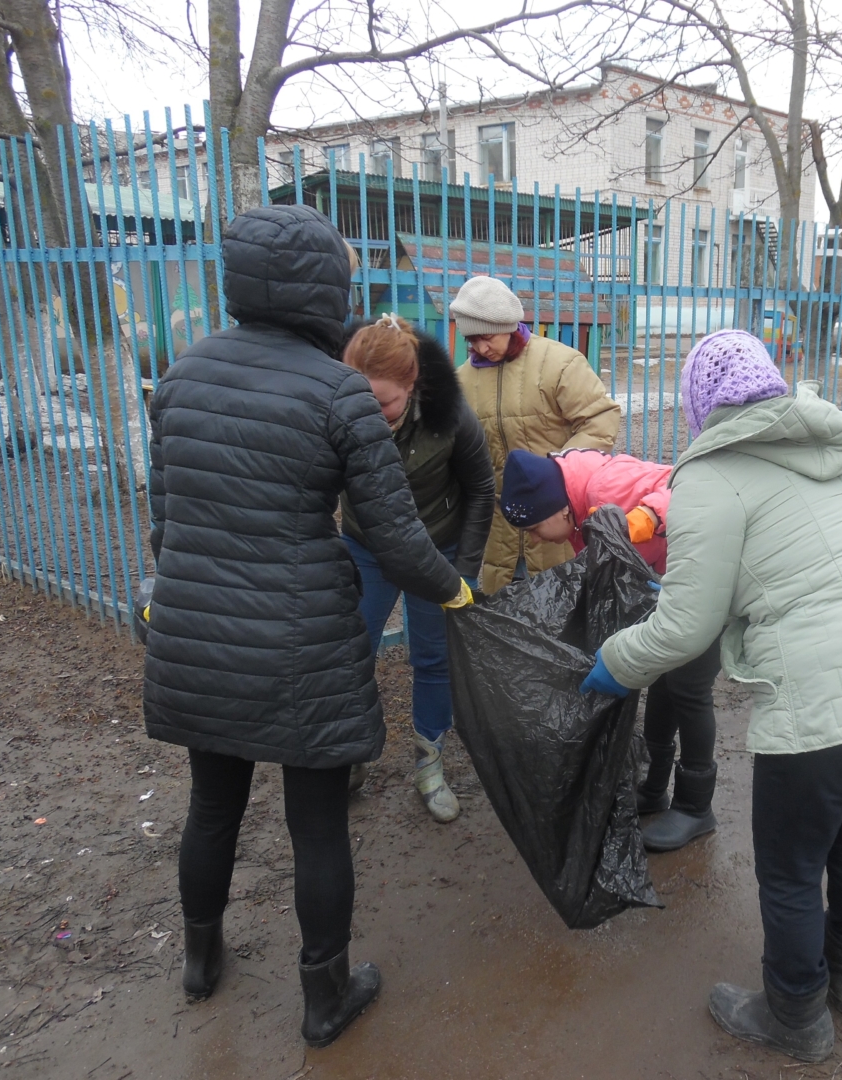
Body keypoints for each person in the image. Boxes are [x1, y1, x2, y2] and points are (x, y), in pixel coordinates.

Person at [580, 329, 842, 1063]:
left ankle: (794, 1015)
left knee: (789, 870)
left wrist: (612, 662)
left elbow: (683, 632)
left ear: (700, 403)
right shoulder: (835, 453)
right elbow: (794, 568)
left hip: (829, 715)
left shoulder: (710, 475)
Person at [142, 205, 473, 1049]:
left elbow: (164, 519)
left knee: (212, 806)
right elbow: (396, 534)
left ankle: (199, 960)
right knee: (315, 823)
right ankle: (325, 998)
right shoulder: (336, 391)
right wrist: (455, 593)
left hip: (196, 629)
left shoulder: (180, 377)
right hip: (300, 645)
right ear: (327, 288)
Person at [498, 446, 721, 851]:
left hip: (705, 577)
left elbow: (691, 487)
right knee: (664, 683)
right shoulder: (578, 509)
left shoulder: (604, 487)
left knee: (689, 688)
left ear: (558, 509)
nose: (532, 538)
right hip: (666, 585)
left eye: (532, 527)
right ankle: (654, 788)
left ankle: (696, 806)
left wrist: (649, 514)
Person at [337, 313, 494, 822]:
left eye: (383, 403)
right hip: (368, 548)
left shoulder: (451, 418)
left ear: (412, 385)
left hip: (437, 550)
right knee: (350, 651)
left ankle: (430, 761)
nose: (372, 413)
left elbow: (480, 491)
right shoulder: (340, 414)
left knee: (433, 659)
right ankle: (352, 754)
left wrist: (464, 571)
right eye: (363, 401)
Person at [452, 275, 622, 594]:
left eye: (487, 337)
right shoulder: (461, 381)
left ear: (507, 325)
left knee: (562, 610)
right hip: (497, 529)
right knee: (507, 618)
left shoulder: (559, 363)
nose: (480, 347)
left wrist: (558, 475)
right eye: (471, 340)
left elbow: (599, 418)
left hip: (557, 517)